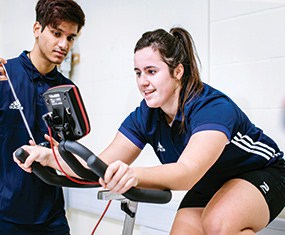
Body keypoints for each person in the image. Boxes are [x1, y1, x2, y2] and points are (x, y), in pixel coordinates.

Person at [14, 27, 285, 235]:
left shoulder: (211, 107)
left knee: (218, 222)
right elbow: (99, 165)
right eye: (138, 73)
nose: (143, 82)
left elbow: (187, 172)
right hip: (211, 183)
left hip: (262, 173)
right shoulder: (146, 114)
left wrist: (133, 175)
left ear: (178, 71)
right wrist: (49, 157)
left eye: (152, 71)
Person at [0, 0, 85, 234]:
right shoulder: (4, 75)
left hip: (52, 216)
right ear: (37, 29)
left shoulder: (68, 90)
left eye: (70, 37)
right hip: (5, 214)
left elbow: (69, 154)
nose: (63, 44)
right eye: (57, 33)